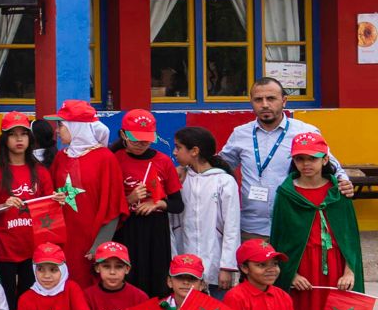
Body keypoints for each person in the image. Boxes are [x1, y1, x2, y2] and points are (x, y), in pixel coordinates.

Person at [270, 132, 370, 310]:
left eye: (312, 158)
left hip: (334, 270)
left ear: (325, 159)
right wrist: (290, 274)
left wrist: (350, 270)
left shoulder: (339, 193)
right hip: (302, 271)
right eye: (300, 158)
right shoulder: (286, 194)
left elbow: (349, 236)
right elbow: (280, 239)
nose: (306, 164)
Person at [219, 77, 353, 241]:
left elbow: (331, 165)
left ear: (284, 101)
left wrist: (344, 182)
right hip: (252, 227)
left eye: (271, 98)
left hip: (294, 225)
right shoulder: (240, 134)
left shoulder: (305, 132)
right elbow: (221, 166)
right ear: (251, 102)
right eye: (258, 100)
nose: (265, 104)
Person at [0, 112, 57, 309]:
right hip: (3, 249)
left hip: (34, 249)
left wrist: (57, 201)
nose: (19, 139)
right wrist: (4, 206)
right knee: (5, 304)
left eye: (23, 134)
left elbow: (49, 211)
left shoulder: (41, 172)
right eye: (13, 134)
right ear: (4, 139)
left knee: (30, 304)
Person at [48, 100, 127, 288]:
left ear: (76, 126)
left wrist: (99, 245)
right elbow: (50, 193)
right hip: (63, 236)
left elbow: (114, 205)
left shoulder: (105, 159)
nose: (57, 131)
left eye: (61, 125)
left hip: (90, 240)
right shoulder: (61, 156)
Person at [111, 110, 183, 297]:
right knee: (129, 277)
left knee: (157, 278)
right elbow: (106, 205)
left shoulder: (163, 161)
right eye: (135, 139)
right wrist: (130, 199)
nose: (141, 144)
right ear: (123, 134)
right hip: (126, 227)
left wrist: (158, 204)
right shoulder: (114, 160)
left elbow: (178, 204)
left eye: (146, 140)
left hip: (156, 230)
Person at [171, 127, 241, 298]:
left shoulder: (224, 181)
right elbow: (172, 224)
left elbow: (232, 227)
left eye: (178, 147)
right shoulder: (179, 179)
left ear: (194, 151)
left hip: (215, 266)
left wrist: (227, 267)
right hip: (184, 266)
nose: (174, 152)